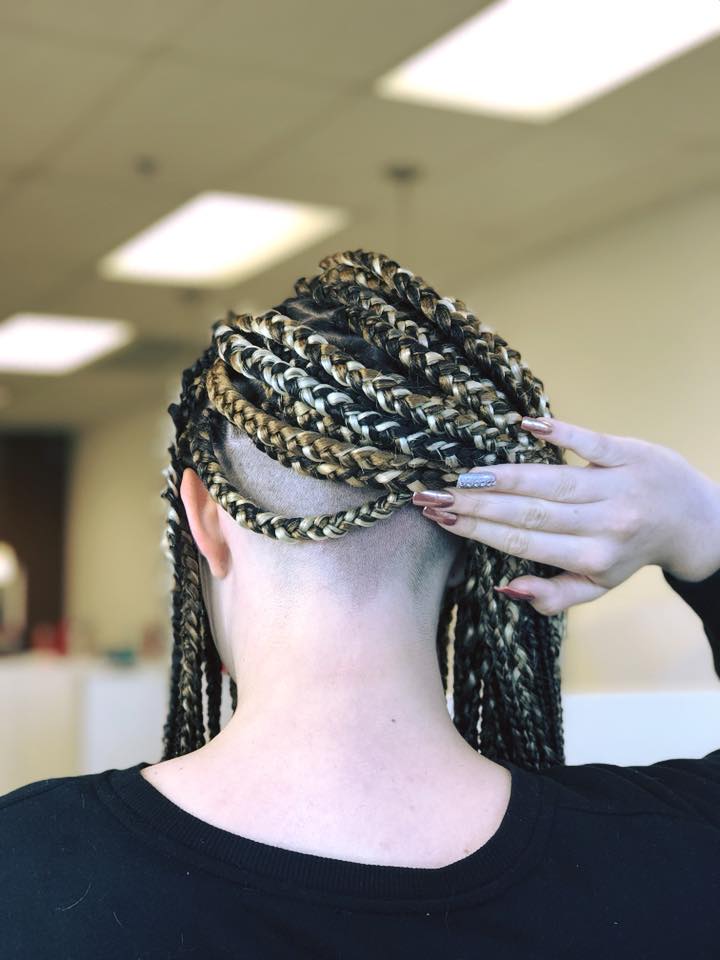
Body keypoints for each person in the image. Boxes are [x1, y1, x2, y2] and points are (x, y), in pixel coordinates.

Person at [1, 250, 719, 959]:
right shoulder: (675, 856)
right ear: (482, 540)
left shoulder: (28, 872)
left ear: (205, 518)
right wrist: (698, 525)